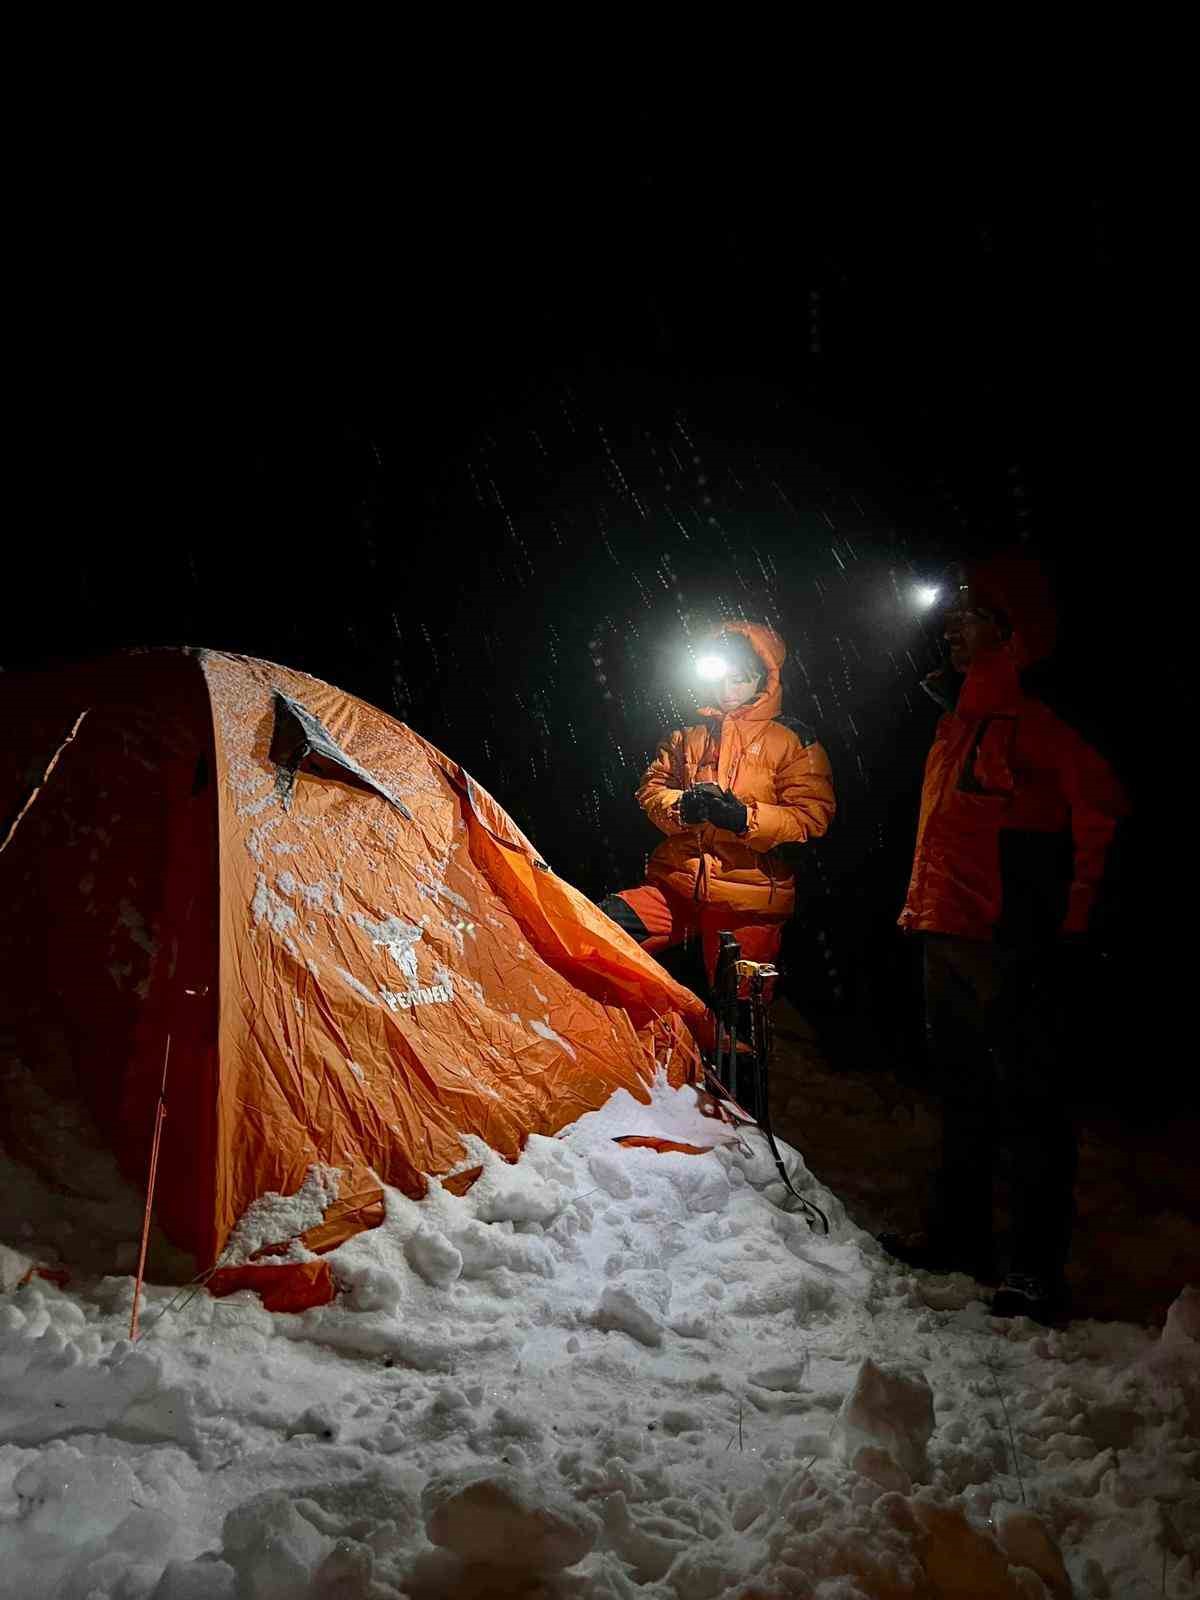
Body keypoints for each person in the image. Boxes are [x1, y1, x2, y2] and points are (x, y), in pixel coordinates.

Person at [897, 551, 1129, 1323]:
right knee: (962, 1095)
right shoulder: (957, 717)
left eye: (966, 616)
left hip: (1009, 940)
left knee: (1031, 1103)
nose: (950, 629)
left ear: (1007, 631)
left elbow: (1102, 811)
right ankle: (958, 1236)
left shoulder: (1038, 717)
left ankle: (1034, 1269)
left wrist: (1074, 917)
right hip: (948, 931)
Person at [600, 622, 836, 991]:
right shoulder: (686, 734)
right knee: (600, 926)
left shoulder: (793, 740)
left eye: (739, 680)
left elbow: (811, 816)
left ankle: (737, 1041)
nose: (727, 691)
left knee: (737, 1010)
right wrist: (683, 808)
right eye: (720, 678)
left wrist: (744, 818)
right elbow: (652, 788)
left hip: (749, 903)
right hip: (677, 888)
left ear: (763, 679)